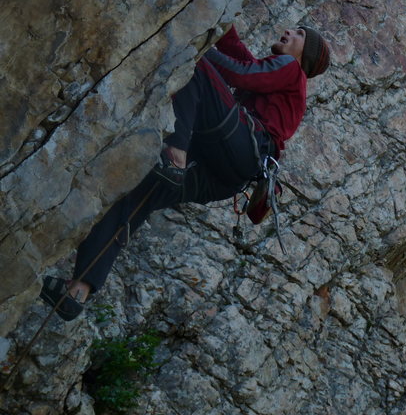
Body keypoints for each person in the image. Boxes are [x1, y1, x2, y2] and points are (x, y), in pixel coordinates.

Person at [39, 23, 330, 321]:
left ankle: (176, 155)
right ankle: (79, 290)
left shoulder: (292, 70)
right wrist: (223, 25)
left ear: (305, 53)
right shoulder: (285, 80)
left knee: (197, 64)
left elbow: (241, 73)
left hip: (242, 147)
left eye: (299, 34)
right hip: (227, 175)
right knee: (136, 194)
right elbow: (241, 57)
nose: (288, 33)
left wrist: (197, 43)